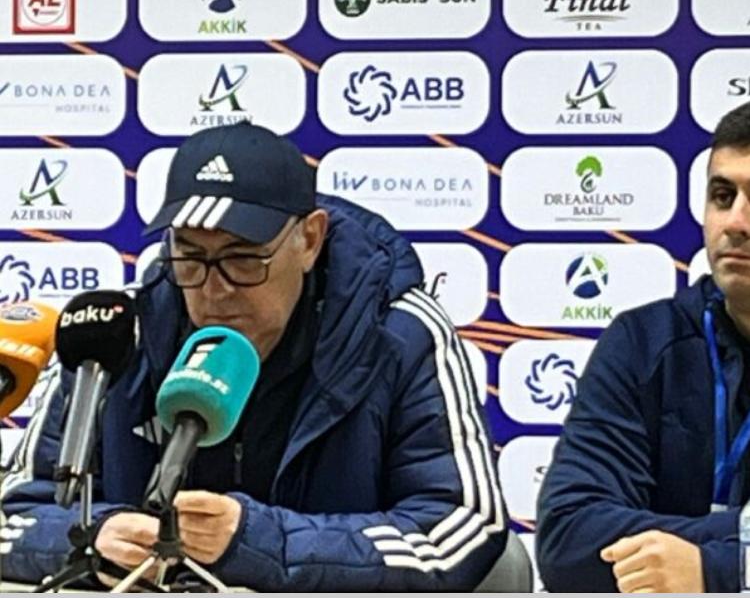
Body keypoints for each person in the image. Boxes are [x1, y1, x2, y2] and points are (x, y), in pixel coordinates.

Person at [0, 122, 507, 591]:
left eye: (243, 259)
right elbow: (15, 513)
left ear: (309, 240)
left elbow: (461, 527)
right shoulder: (115, 333)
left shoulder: (400, 333)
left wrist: (264, 544)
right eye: (190, 257)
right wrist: (92, 536)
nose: (214, 290)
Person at [536, 100, 750, 593]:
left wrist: (719, 568)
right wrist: (739, 537)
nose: (735, 222)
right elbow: (569, 540)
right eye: (722, 196)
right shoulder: (642, 342)